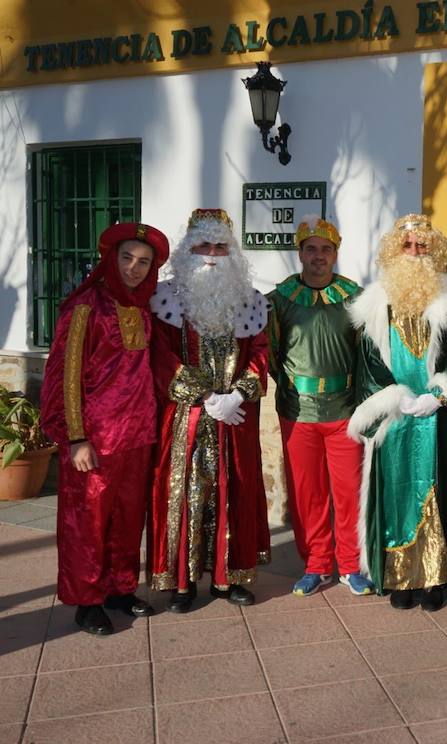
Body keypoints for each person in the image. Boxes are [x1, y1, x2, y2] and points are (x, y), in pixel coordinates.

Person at [348, 214, 447, 611]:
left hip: (436, 413)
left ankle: (434, 576)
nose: (415, 252)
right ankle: (400, 576)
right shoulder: (375, 302)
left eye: (422, 245)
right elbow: (368, 358)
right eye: (407, 246)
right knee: (396, 489)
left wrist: (441, 393)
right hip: (395, 412)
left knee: (436, 490)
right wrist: (390, 395)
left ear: (433, 250)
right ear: (395, 250)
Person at [41, 222, 169, 634]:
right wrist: (75, 436)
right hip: (95, 438)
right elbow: (66, 373)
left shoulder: (144, 306)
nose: (134, 268)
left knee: (129, 518)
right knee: (87, 522)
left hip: (138, 435)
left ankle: (119, 589)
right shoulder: (86, 306)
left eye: (143, 262)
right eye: (127, 258)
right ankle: (87, 600)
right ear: (111, 259)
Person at [148, 208, 271, 612]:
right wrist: (205, 397)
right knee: (186, 493)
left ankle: (228, 579)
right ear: (188, 249)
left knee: (233, 489)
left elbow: (260, 354)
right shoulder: (166, 300)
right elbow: (161, 358)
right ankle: (183, 584)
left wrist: (238, 394)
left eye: (221, 245)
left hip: (235, 418)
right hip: (186, 416)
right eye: (204, 244)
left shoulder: (251, 302)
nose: (213, 254)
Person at [267, 214, 373, 597]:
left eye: (325, 249)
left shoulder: (355, 297)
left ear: (335, 254)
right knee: (307, 493)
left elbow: (367, 354)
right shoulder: (278, 299)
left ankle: (350, 565)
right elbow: (271, 353)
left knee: (348, 491)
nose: (318, 256)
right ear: (300, 254)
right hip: (298, 413)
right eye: (310, 249)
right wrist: (293, 390)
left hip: (344, 411)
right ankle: (316, 564)